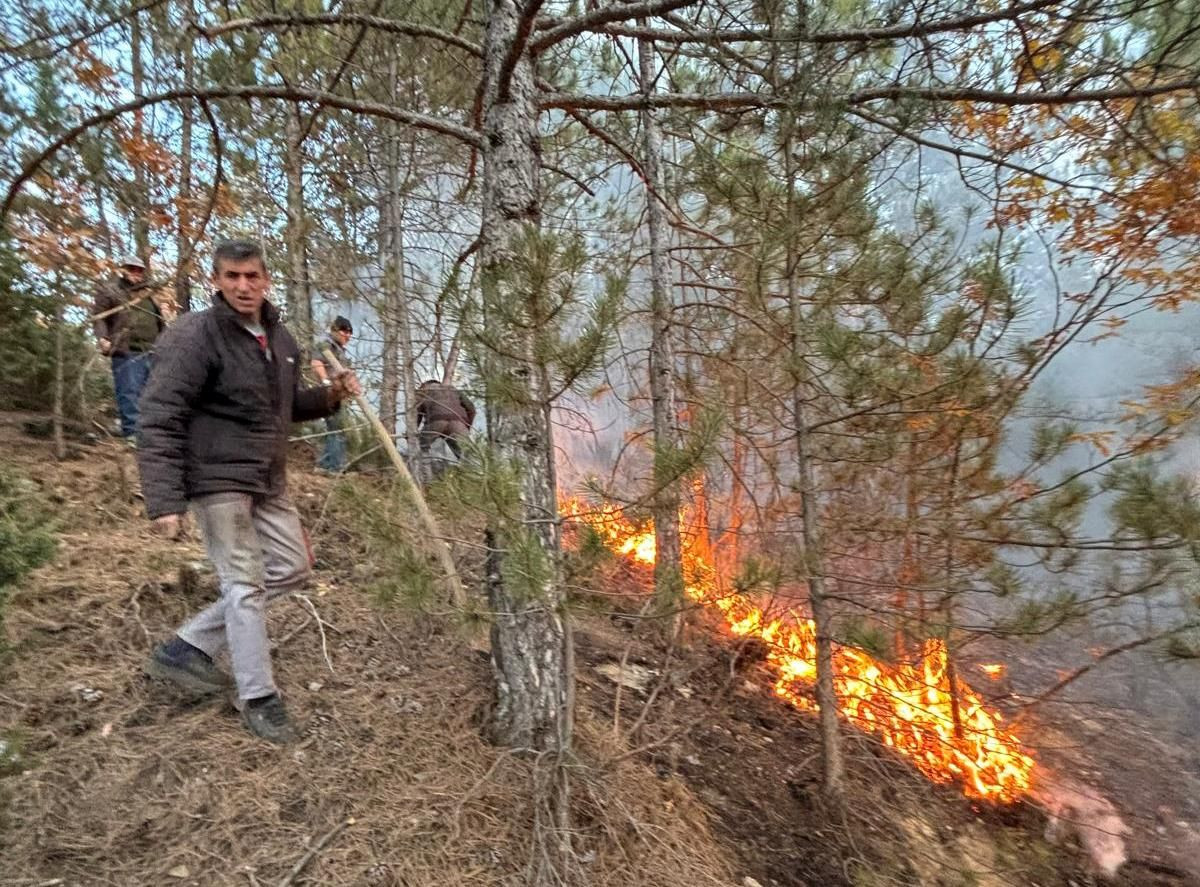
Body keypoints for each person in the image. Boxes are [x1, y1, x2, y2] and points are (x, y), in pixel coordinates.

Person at [136, 239, 361, 744]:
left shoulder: (279, 340)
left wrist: (331, 396)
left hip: (267, 478)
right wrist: (165, 499)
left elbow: (281, 409)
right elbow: (159, 414)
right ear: (216, 280)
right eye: (232, 277)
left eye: (252, 277)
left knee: (293, 568)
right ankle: (258, 698)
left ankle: (185, 647)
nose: (243, 286)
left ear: (266, 280)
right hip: (217, 479)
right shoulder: (195, 335)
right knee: (244, 584)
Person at [93, 256, 162, 443]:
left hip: (152, 351)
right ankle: (132, 433)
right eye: (132, 269)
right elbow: (99, 317)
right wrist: (102, 338)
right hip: (126, 351)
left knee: (153, 394)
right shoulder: (111, 291)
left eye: (139, 270)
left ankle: (150, 433)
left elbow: (159, 321)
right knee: (129, 392)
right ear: (123, 270)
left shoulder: (148, 294)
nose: (136, 274)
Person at [310, 316, 354, 473]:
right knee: (336, 428)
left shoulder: (339, 348)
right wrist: (326, 382)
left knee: (338, 428)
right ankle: (332, 467)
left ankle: (328, 464)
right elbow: (316, 362)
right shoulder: (326, 344)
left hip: (339, 395)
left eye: (350, 332)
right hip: (330, 394)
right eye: (344, 331)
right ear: (335, 330)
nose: (347, 335)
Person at [416, 379, 476, 466]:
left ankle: (424, 473)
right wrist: (467, 426)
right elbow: (471, 409)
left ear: (424, 385)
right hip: (458, 423)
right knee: (467, 453)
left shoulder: (423, 392)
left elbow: (416, 415)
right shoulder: (453, 389)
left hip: (436, 422)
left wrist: (412, 432)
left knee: (421, 448)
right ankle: (470, 475)